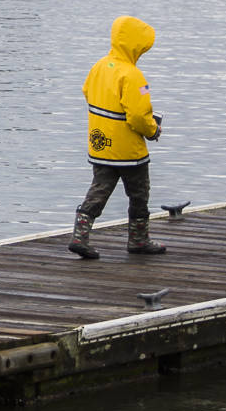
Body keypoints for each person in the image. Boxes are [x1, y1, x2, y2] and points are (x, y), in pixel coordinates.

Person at [69, 15, 167, 259]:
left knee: (98, 191)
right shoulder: (134, 76)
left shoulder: (100, 66)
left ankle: (79, 237)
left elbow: (86, 91)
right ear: (137, 44)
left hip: (100, 144)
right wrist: (153, 130)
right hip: (129, 152)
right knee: (139, 195)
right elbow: (138, 116)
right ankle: (139, 241)